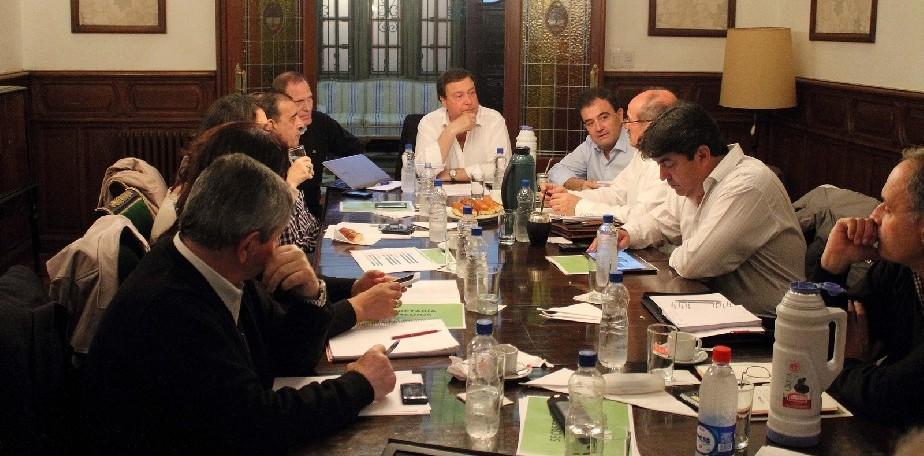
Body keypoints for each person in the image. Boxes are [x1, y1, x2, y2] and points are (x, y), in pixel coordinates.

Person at [82, 154, 398, 454]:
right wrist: (359, 385)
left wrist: (310, 295)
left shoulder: (217, 264)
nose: (279, 248)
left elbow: (288, 355)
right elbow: (257, 426)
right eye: (276, 237)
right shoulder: (172, 310)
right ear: (247, 246)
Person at [615, 102, 805, 317]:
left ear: (702, 155)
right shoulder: (694, 182)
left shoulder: (747, 184)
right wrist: (628, 234)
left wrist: (670, 252)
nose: (662, 176)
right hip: (719, 312)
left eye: (667, 164)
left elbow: (694, 264)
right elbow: (660, 222)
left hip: (769, 325)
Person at [817, 146, 924, 427]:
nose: (874, 216)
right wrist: (833, 267)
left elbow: (889, 395)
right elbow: (815, 341)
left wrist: (846, 365)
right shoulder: (899, 269)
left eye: (888, 208)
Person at [542, 89, 676, 220]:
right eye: (590, 123)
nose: (626, 126)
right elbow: (616, 193)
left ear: (651, 125)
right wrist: (564, 195)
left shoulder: (664, 161)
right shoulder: (642, 153)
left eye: (629, 120)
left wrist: (579, 206)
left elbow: (642, 217)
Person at [151, 93, 269, 242]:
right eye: (263, 131)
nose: (270, 138)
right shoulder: (191, 203)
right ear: (237, 139)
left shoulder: (231, 184)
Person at [272, 71, 365, 218]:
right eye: (299, 102)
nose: (307, 107)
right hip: (283, 215)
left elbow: (353, 148)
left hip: (314, 213)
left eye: (309, 99)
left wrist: (339, 183)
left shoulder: (320, 122)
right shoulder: (270, 137)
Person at [415, 68, 511, 184]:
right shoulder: (429, 123)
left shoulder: (494, 120)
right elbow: (423, 171)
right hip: (441, 194)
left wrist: (452, 174)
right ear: (444, 101)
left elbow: (502, 169)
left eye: (472, 93)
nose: (469, 101)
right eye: (459, 96)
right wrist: (451, 130)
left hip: (482, 194)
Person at [255, 92, 321, 252]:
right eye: (293, 118)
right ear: (271, 126)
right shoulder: (261, 171)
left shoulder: (287, 159)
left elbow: (310, 229)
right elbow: (284, 247)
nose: (301, 124)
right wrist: (290, 185)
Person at [547, 87, 633, 190]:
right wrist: (580, 185)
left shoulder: (638, 144)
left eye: (604, 117)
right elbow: (556, 171)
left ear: (619, 115)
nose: (599, 128)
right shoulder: (590, 144)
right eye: (590, 123)